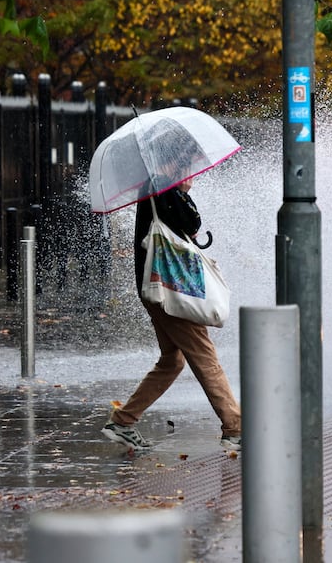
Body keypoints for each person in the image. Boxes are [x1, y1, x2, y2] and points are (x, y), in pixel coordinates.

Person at [102, 168, 241, 452]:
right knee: (206, 358)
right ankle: (235, 429)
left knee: (172, 360)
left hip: (155, 287)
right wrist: (184, 192)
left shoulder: (154, 187)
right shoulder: (164, 188)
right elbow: (191, 224)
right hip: (173, 290)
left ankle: (123, 421)